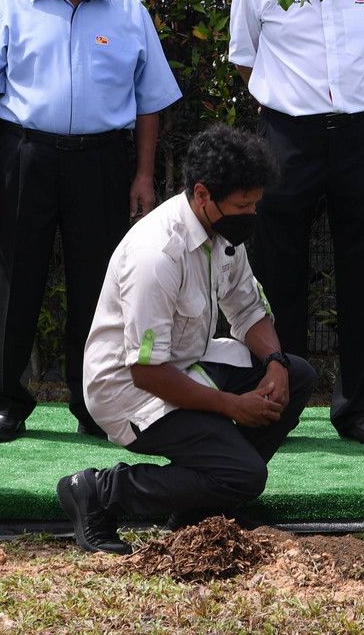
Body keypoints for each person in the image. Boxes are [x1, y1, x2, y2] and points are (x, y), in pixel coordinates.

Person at [0, 0, 182, 443]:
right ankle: (3, 401)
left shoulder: (129, 11)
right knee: (12, 280)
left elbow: (150, 102)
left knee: (100, 286)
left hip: (102, 162)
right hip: (23, 157)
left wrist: (143, 175)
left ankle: (94, 402)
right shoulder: (9, 8)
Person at [58, 125, 317, 555]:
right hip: (128, 390)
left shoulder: (223, 233)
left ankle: (202, 507)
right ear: (202, 194)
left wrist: (276, 362)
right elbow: (146, 372)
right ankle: (99, 492)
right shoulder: (156, 254)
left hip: (184, 364)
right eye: (242, 205)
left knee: (298, 374)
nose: (251, 214)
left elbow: (249, 309)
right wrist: (232, 406)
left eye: (255, 203)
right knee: (245, 475)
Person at [229, 0, 364, 446]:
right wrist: (287, 103)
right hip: (288, 135)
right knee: (277, 271)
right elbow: (246, 59)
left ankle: (359, 409)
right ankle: (280, 402)